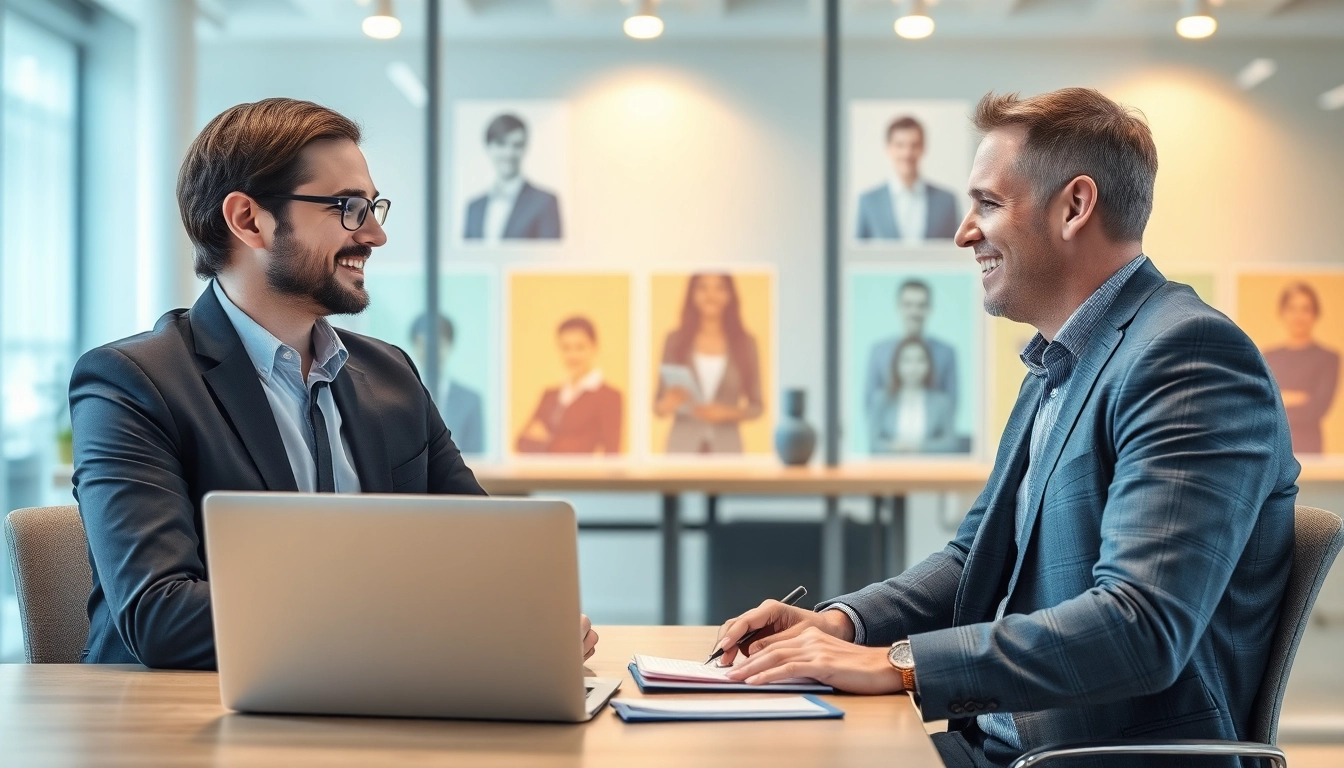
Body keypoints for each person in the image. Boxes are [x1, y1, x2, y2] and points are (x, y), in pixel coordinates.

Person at [714, 88, 1297, 768]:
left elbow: (1141, 626)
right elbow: (973, 560)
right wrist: (844, 624)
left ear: (1075, 207)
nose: (964, 231)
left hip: (1085, 757)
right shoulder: (1060, 362)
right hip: (1003, 746)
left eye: (987, 204)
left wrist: (900, 665)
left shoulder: (1188, 356)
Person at [70, 98, 598, 670]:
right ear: (248, 220)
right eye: (348, 208)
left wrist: (529, 615)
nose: (373, 235)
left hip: (376, 704)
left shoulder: (390, 373)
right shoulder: (131, 384)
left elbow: (484, 558)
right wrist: (420, 621)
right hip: (183, 725)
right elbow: (163, 618)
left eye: (374, 208)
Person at [654, 273, 763, 454]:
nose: (710, 295)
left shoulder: (745, 343)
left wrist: (727, 413)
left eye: (719, 288)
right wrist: (667, 404)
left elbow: (757, 406)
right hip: (681, 448)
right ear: (692, 294)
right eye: (702, 287)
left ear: (730, 295)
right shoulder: (674, 341)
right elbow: (657, 406)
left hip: (728, 449)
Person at [516, 316, 623, 455]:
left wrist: (546, 440)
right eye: (566, 348)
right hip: (543, 475)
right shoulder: (550, 395)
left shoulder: (608, 396)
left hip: (580, 475)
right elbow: (521, 443)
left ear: (594, 348)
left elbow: (612, 452)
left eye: (580, 347)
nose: (572, 355)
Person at [1263, 282, 1340, 454]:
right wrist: (1297, 398)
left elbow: (1317, 409)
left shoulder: (1328, 358)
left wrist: (1281, 397)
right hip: (1273, 448)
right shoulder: (1268, 357)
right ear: (1282, 312)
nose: (1298, 316)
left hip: (1309, 446)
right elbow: (1263, 407)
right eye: (1292, 308)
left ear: (1315, 314)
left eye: (1305, 309)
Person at [856, 116, 960, 242]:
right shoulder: (869, 201)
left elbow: (955, 251)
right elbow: (858, 256)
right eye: (900, 145)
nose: (907, 153)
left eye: (914, 145)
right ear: (889, 148)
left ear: (923, 148)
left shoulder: (946, 201)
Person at [864, 279, 958, 417]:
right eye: (908, 305)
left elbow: (951, 406)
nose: (914, 311)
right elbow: (870, 405)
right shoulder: (879, 352)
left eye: (921, 305)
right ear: (898, 307)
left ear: (929, 308)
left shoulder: (946, 353)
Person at [463, 113, 561, 242]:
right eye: (501, 144)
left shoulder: (545, 202)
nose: (509, 153)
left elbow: (550, 258)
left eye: (517, 145)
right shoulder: (474, 208)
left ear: (525, 148)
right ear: (488, 147)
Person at [868, 337, 962, 455]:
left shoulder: (941, 403)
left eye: (920, 360)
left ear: (929, 365)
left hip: (929, 470)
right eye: (906, 360)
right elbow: (874, 444)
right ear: (896, 364)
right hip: (890, 469)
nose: (913, 367)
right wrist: (895, 447)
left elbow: (951, 444)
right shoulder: (882, 400)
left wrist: (919, 447)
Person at [409, 313, 484, 454]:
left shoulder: (470, 400)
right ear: (415, 346)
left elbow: (476, 456)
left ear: (449, 345)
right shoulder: (401, 394)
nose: (430, 351)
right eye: (423, 344)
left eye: (438, 344)